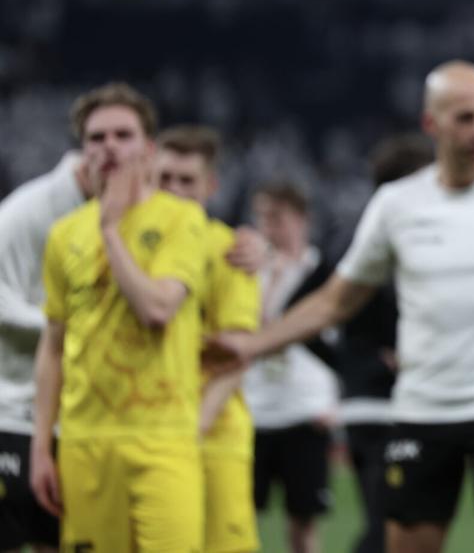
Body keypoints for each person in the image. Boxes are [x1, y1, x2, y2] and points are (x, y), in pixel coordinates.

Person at [209, 60, 474, 553]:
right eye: (465, 118)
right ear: (431, 123)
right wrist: (253, 344)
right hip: (423, 407)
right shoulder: (397, 205)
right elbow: (337, 299)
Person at [31, 82, 209, 551]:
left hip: (162, 439)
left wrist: (110, 228)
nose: (109, 146)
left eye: (123, 135)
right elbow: (52, 348)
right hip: (84, 443)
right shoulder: (63, 235)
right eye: (96, 137)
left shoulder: (182, 220)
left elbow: (156, 309)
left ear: (148, 149)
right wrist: (40, 449)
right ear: (82, 152)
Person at [156, 125, 263, 553]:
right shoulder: (127, 244)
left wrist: (191, 430)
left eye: (187, 180)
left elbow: (236, 358)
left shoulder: (229, 252)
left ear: (211, 185)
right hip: (144, 432)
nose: (174, 190)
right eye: (164, 178)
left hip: (213, 435)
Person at [339, 132, 434, 553]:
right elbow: (330, 321)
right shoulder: (370, 247)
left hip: (407, 405)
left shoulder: (418, 244)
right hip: (377, 408)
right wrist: (379, 360)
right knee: (387, 525)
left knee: (402, 522)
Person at [0, 153, 90, 553]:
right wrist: (60, 325)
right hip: (13, 410)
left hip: (87, 419)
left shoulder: (128, 216)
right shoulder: (27, 212)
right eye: (99, 138)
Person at [244, 180, 339, 553]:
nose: (269, 228)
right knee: (242, 518)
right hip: (254, 411)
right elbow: (253, 330)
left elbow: (336, 342)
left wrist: (332, 402)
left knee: (303, 521)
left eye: (277, 218)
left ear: (302, 220)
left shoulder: (325, 273)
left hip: (305, 410)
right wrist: (273, 274)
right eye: (263, 218)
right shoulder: (251, 270)